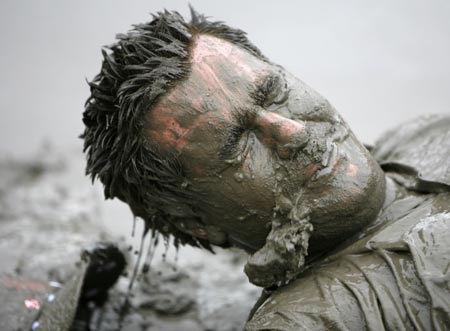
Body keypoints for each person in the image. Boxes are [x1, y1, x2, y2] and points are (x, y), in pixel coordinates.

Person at [82, 8, 450, 330]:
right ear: (195, 222)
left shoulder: (423, 134)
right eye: (237, 143)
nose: (295, 131)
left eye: (273, 92)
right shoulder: (308, 321)